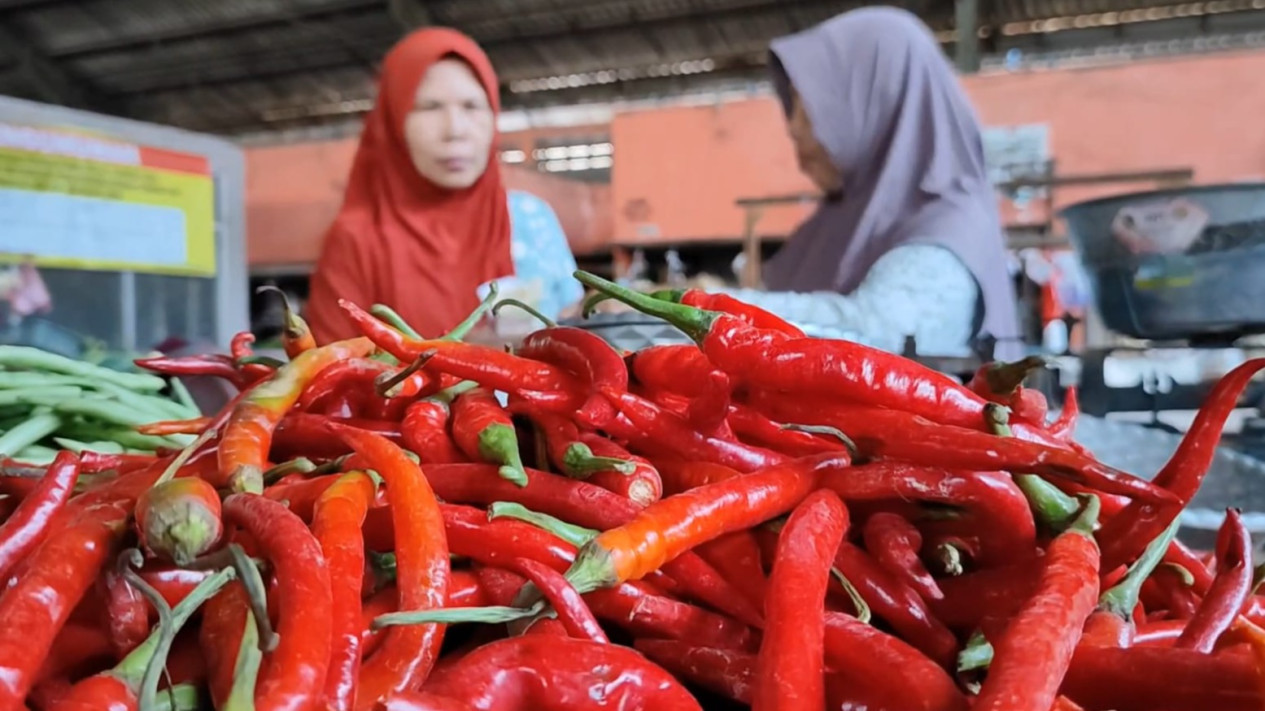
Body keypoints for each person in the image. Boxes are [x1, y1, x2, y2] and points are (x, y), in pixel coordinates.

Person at [720, 7, 1021, 359]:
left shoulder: (949, 226)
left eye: (807, 108)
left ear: (876, 101)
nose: (794, 129)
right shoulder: (837, 221)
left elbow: (878, 333)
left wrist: (705, 305)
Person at [306, 28, 581, 344]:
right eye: (429, 107)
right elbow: (329, 376)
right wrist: (472, 357)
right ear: (392, 121)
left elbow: (573, 325)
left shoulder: (532, 219)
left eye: (472, 106)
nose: (455, 130)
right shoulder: (355, 241)